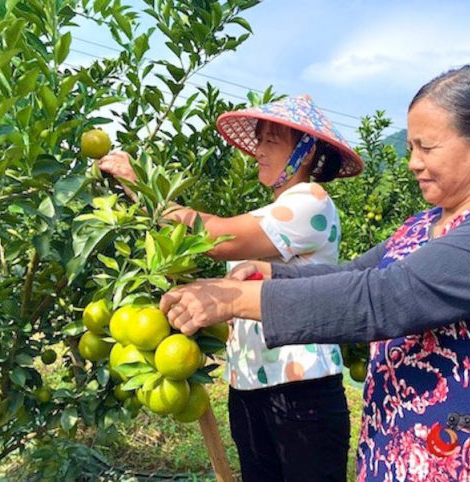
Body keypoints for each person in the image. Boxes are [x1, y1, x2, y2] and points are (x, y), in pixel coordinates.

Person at [160, 65, 470, 481]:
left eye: (427, 147)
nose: (413, 163)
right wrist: (269, 275)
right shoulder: (421, 225)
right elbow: (353, 275)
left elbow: (387, 296)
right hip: (398, 454)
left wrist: (232, 300)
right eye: (411, 148)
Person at [99, 94, 364, 481]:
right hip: (249, 384)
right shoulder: (268, 213)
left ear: (305, 152)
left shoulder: (311, 201)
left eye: (271, 140)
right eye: (259, 140)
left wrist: (144, 187)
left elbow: (218, 237)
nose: (259, 150)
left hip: (300, 389)